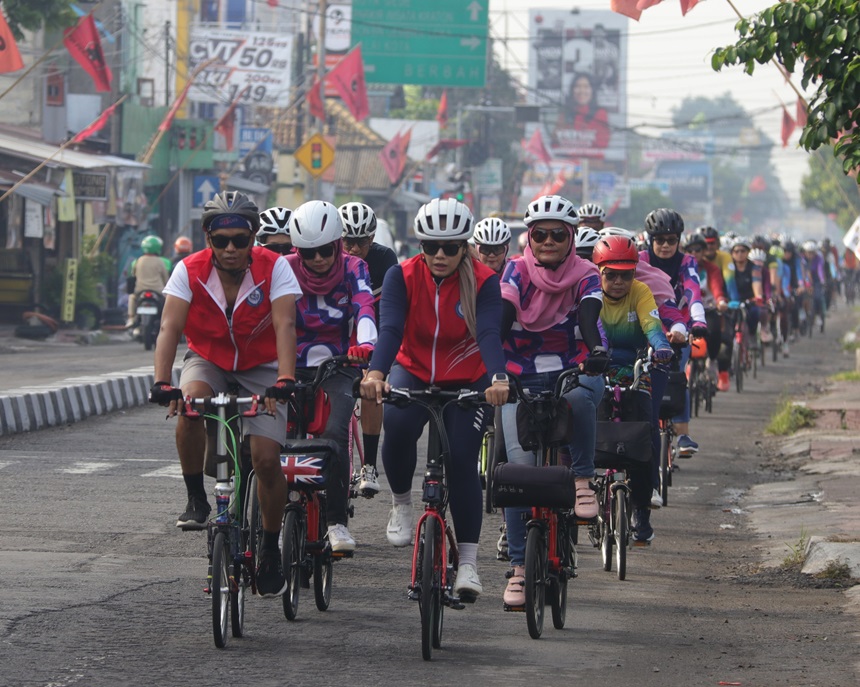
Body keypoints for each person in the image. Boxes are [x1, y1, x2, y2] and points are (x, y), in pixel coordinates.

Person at [148, 190, 302, 598]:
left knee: (266, 460)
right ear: (207, 237)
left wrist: (284, 380)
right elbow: (169, 328)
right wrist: (164, 383)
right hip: (209, 358)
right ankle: (196, 498)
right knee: (190, 402)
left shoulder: (277, 268)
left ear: (255, 238)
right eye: (221, 240)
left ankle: (270, 548)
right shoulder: (188, 269)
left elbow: (286, 325)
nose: (231, 249)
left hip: (263, 366)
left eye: (241, 239)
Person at [359, 197, 510, 600]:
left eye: (449, 247)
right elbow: (390, 329)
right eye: (430, 246)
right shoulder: (400, 275)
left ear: (465, 247)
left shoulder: (483, 279)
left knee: (462, 458)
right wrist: (376, 372)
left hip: (469, 377)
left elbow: (490, 334)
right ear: (420, 246)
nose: (439, 255)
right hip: (414, 368)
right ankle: (402, 503)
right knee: (398, 425)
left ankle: (469, 565)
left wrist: (498, 377)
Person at [498, 194, 608, 607]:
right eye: (539, 234)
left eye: (557, 235)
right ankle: (519, 570)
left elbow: (588, 315)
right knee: (516, 474)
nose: (547, 241)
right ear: (529, 236)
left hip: (571, 368)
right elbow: (505, 314)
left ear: (571, 236)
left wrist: (596, 352)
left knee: (581, 400)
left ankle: (581, 479)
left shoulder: (586, 273)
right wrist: (493, 358)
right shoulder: (515, 270)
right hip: (520, 374)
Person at [287, 200, 378, 553]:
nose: (319, 259)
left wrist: (366, 344)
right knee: (272, 436)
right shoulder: (284, 268)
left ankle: (336, 522)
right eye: (310, 252)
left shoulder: (354, 267)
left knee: (335, 434)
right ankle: (274, 513)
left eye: (326, 250)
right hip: (289, 364)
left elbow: (365, 305)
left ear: (338, 244)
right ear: (298, 250)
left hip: (339, 365)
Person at [592, 235, 673, 544]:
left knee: (645, 432)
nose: (618, 281)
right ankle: (583, 490)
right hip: (598, 365)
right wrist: (597, 357)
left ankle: (642, 510)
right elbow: (596, 332)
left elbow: (652, 324)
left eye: (625, 274)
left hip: (638, 368)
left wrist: (661, 346)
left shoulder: (640, 292)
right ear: (598, 272)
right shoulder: (590, 293)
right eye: (610, 274)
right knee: (588, 424)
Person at [338, 201, 398, 496]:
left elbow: (389, 309)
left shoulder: (385, 259)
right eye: (347, 240)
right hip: (338, 332)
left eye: (361, 241)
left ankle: (369, 464)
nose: (353, 247)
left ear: (372, 239)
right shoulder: (328, 256)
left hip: (370, 331)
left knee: (372, 388)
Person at [639, 209, 708, 456]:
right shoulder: (641, 259)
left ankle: (683, 436)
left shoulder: (687, 261)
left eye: (671, 240)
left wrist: (699, 321)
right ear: (650, 240)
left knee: (677, 375)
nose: (666, 245)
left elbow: (692, 290)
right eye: (659, 240)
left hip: (681, 327)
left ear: (679, 240)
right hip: (649, 326)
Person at [553, 72, 610, 157]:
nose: (581, 91)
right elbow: (555, 143)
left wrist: (573, 149)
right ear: (572, 90)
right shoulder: (565, 114)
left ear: (592, 90)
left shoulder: (600, 114)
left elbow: (602, 144)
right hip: (566, 166)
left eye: (586, 87)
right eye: (577, 87)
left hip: (594, 166)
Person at [126, 235, 170, 328]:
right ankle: (168, 321)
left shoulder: (138, 261)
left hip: (140, 291)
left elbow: (133, 275)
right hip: (158, 291)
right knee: (168, 302)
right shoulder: (160, 261)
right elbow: (165, 278)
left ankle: (131, 318)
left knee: (131, 297)